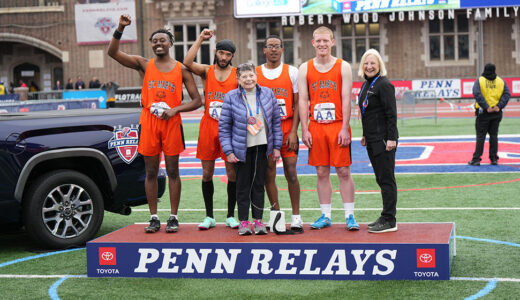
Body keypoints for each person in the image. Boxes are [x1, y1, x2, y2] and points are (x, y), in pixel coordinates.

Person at [108, 14, 202, 233]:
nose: (158, 43)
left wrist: (175, 109)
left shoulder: (181, 69)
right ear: (151, 45)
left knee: (173, 171)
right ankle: (153, 217)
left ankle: (173, 216)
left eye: (162, 40)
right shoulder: (144, 64)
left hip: (171, 122)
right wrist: (120, 28)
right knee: (150, 171)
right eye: (155, 41)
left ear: (170, 43)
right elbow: (112, 53)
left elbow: (198, 100)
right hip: (149, 121)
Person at [298, 26, 359, 231]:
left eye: (326, 41)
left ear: (332, 42)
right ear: (313, 43)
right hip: (316, 127)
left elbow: (346, 99)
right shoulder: (305, 68)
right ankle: (325, 215)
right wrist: (305, 130)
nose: (322, 44)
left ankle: (350, 215)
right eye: (319, 41)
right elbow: (303, 100)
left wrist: (344, 128)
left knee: (343, 170)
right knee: (322, 171)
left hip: (337, 126)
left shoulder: (343, 67)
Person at [183, 29, 240, 230]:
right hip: (208, 126)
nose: (223, 57)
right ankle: (209, 216)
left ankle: (231, 216)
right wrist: (200, 39)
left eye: (228, 54)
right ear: (216, 53)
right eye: (221, 53)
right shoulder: (207, 71)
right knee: (207, 173)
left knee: (231, 173)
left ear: (232, 56)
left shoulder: (237, 74)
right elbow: (187, 62)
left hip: (230, 128)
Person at [219, 63, 282, 236]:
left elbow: (276, 121)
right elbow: (224, 127)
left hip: (262, 147)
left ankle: (259, 221)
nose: (248, 79)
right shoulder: (231, 97)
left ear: (256, 76)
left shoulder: (268, 94)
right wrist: (229, 151)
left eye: (251, 75)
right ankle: (244, 222)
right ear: (238, 79)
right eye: (244, 77)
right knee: (242, 186)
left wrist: (276, 147)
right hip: (241, 149)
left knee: (259, 185)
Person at [255, 35, 303, 233]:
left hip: (286, 128)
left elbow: (298, 103)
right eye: (270, 46)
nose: (273, 49)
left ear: (282, 50)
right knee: (268, 174)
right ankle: (276, 214)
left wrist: (294, 131)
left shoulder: (292, 72)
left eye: (277, 46)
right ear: (264, 50)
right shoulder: (256, 73)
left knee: (291, 172)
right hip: (264, 131)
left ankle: (296, 217)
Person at [358, 49, 399, 233]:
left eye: (373, 63)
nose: (369, 66)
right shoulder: (366, 85)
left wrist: (391, 138)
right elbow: (369, 113)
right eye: (366, 63)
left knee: (387, 179)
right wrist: (365, 134)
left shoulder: (384, 84)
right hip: (372, 139)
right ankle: (385, 215)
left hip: (383, 140)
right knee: (381, 179)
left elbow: (391, 114)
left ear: (379, 65)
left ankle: (389, 219)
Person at [468, 63, 510, 166]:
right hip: (496, 112)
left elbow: (477, 94)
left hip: (483, 113)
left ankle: (476, 159)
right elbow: (507, 94)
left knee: (481, 136)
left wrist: (486, 107)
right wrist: (499, 106)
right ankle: (494, 159)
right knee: (494, 136)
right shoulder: (500, 81)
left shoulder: (480, 81)